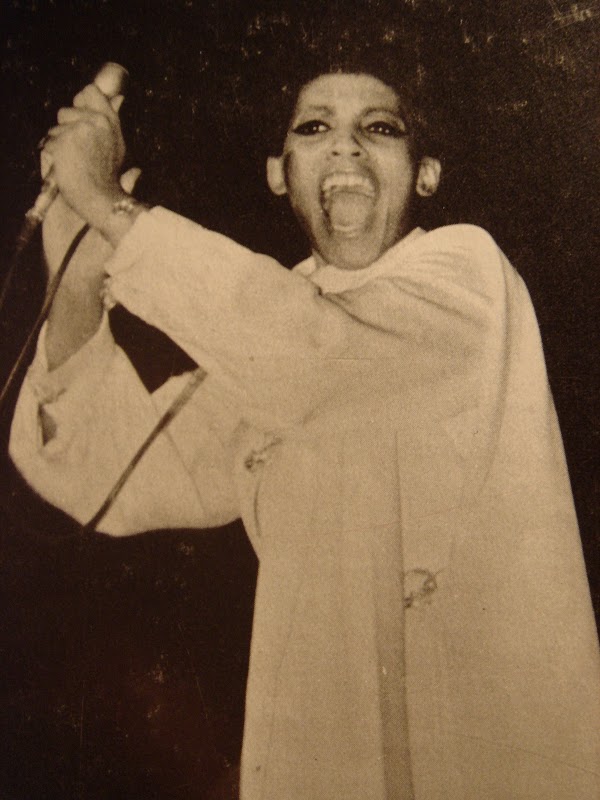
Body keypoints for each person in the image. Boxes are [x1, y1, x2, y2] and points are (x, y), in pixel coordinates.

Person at [8, 14, 600, 800]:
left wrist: (105, 200)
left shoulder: (465, 277)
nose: (345, 147)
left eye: (379, 128)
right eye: (314, 128)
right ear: (278, 174)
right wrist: (77, 272)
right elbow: (112, 475)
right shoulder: (274, 326)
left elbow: (316, 358)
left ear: (426, 174)